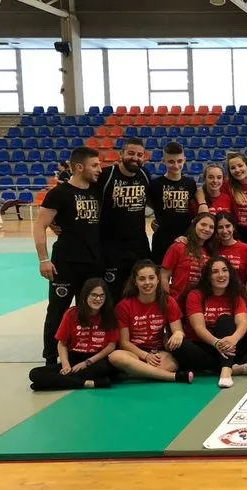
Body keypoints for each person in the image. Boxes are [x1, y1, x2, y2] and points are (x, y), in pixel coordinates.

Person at [35, 147, 103, 365]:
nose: (99, 169)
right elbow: (40, 225)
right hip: (65, 263)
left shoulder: (97, 190)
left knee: (90, 310)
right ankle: (51, 358)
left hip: (93, 262)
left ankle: (83, 353)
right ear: (79, 167)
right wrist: (44, 259)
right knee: (58, 311)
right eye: (95, 165)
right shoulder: (59, 193)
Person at [107, 260, 196, 384]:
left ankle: (133, 374)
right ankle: (173, 377)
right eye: (142, 279)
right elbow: (124, 343)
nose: (147, 282)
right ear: (135, 282)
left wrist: (178, 334)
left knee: (173, 364)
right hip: (135, 354)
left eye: (151, 278)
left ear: (158, 279)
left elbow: (178, 330)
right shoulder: (124, 306)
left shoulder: (168, 301)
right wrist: (146, 356)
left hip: (159, 354)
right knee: (115, 357)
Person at [28, 278, 118, 391]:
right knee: (35, 373)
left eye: (102, 296)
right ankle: (88, 383)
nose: (98, 299)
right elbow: (62, 344)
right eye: (94, 295)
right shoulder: (72, 313)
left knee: (104, 368)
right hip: (73, 358)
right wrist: (66, 365)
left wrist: (87, 363)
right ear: (85, 295)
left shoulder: (110, 315)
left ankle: (54, 383)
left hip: (95, 360)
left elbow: (111, 346)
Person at [182, 256, 247, 387]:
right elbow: (199, 328)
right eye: (215, 272)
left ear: (230, 273)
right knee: (179, 346)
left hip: (230, 345)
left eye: (224, 270)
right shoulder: (195, 295)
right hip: (205, 344)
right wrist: (216, 343)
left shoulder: (235, 295)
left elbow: (243, 323)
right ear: (208, 276)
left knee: (225, 320)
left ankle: (226, 372)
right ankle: (233, 368)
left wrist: (233, 339)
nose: (221, 275)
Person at [98, 138, 151, 296]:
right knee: (113, 294)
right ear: (121, 154)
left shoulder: (144, 174)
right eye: (131, 153)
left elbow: (153, 200)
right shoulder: (106, 175)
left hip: (139, 246)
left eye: (139, 155)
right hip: (111, 248)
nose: (135, 158)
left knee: (140, 292)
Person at [148, 142, 197, 264]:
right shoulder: (155, 185)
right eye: (171, 161)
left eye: (179, 161)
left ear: (184, 160)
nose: (176, 165)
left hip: (185, 239)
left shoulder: (191, 184)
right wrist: (157, 219)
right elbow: (148, 202)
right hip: (162, 241)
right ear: (163, 161)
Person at [161, 213, 215, 303]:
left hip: (200, 303)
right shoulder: (179, 247)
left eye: (211, 227)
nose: (207, 229)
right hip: (177, 301)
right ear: (194, 224)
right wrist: (168, 301)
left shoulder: (211, 252)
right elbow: (164, 276)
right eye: (203, 224)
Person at [214, 212, 247, 289]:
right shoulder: (213, 248)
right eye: (220, 227)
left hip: (240, 293)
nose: (224, 231)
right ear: (216, 230)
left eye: (228, 226)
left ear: (233, 227)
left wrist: (245, 294)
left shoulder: (246, 248)